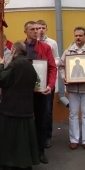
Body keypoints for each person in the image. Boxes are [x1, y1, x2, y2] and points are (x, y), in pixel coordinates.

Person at [0, 41, 39, 170]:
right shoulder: (29, 65)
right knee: (22, 140)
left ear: (14, 51)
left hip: (11, 108)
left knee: (9, 138)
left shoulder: (15, 64)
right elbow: (37, 80)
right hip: (25, 108)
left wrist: (1, 65)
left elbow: (0, 80)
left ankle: (8, 164)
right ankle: (24, 164)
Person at [59, 26, 85, 150]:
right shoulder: (68, 52)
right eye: (76, 35)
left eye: (80, 35)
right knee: (73, 114)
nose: (78, 37)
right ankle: (74, 139)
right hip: (72, 88)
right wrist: (64, 77)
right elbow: (61, 67)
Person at [23, 21, 56, 164]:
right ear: (25, 31)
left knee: (41, 121)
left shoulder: (46, 47)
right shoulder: (19, 47)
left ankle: (40, 151)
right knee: (24, 121)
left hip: (41, 91)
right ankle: (25, 150)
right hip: (24, 92)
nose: (36, 31)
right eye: (32, 29)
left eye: (37, 29)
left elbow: (52, 68)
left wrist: (50, 85)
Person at [36, 19, 60, 149]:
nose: (40, 30)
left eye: (43, 27)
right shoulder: (32, 43)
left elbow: (57, 58)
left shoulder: (52, 43)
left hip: (48, 80)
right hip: (35, 81)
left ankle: (47, 137)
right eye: (38, 28)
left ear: (46, 29)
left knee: (47, 110)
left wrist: (49, 64)